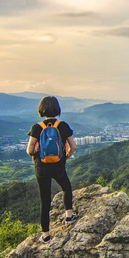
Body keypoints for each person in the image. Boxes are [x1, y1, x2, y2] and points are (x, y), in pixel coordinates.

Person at [26, 96, 78, 243]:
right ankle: (69, 216)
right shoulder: (63, 126)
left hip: (41, 167)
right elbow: (73, 147)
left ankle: (46, 235)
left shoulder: (37, 127)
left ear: (41, 109)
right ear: (57, 109)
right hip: (58, 165)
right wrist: (65, 157)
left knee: (44, 199)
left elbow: (30, 150)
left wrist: (37, 155)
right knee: (66, 187)